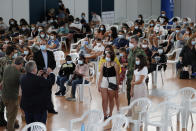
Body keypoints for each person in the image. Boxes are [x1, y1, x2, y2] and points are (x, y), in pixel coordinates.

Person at [33, 42, 57, 114]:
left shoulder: (50, 53)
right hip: (41, 74)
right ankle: (41, 107)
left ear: (46, 45)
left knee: (49, 91)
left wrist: (50, 69)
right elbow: (35, 64)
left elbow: (54, 63)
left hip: (49, 74)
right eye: (41, 44)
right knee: (41, 91)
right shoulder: (36, 54)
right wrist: (44, 71)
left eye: (44, 44)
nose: (42, 45)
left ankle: (50, 108)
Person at [1, 56, 24, 131]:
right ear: (21, 64)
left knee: (9, 112)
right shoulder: (18, 74)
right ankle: (10, 128)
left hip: (4, 95)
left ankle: (15, 123)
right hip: (12, 98)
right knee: (11, 117)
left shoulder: (7, 67)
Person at [98, 51, 119, 120]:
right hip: (104, 81)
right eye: (107, 56)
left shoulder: (115, 65)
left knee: (111, 99)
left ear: (112, 57)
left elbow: (117, 75)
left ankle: (110, 113)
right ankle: (104, 114)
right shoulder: (103, 64)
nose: (107, 58)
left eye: (109, 57)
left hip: (112, 81)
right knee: (104, 99)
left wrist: (117, 85)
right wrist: (99, 84)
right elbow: (101, 75)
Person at [127, 36, 146, 105]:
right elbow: (130, 62)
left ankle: (138, 112)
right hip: (130, 75)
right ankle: (130, 110)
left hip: (137, 76)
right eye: (130, 42)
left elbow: (144, 64)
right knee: (129, 93)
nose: (130, 43)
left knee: (138, 96)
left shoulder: (140, 52)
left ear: (136, 43)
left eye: (132, 42)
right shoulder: (130, 50)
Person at [0, 46, 16, 127]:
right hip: (7, 86)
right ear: (12, 52)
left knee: (1, 103)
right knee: (10, 105)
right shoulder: (11, 62)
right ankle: (11, 124)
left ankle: (1, 120)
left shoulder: (1, 59)